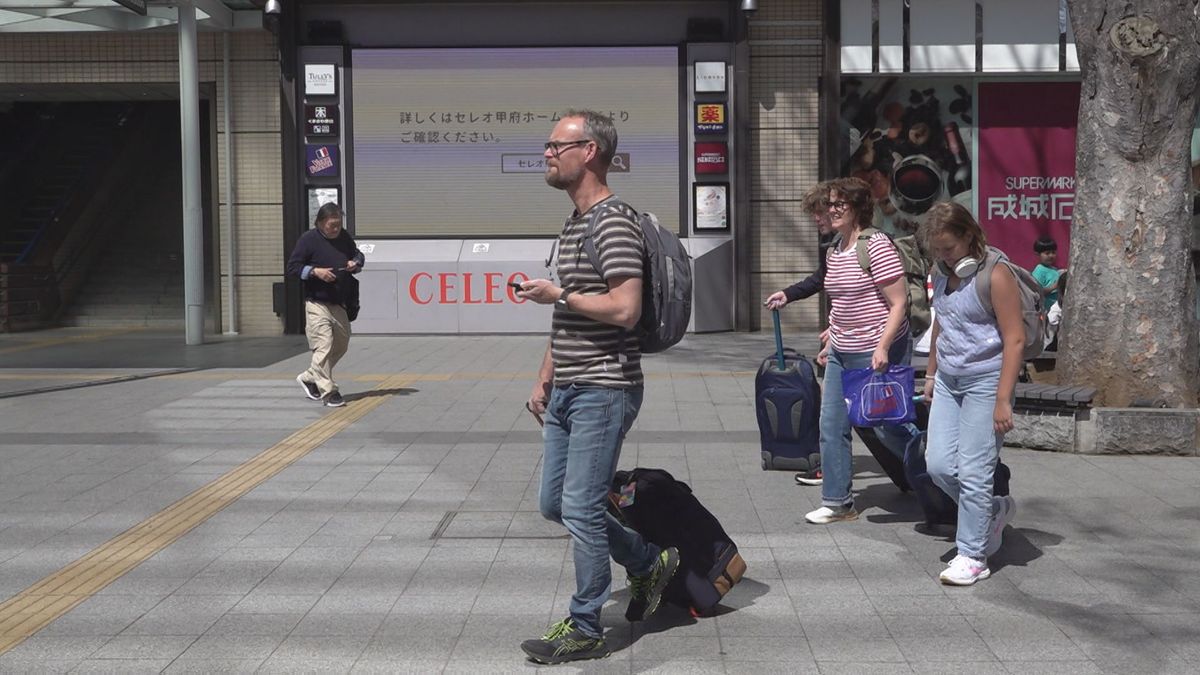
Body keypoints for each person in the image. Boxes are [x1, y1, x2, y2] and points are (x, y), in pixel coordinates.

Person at [515, 109, 679, 665]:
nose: (547, 154)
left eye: (556, 145)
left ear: (590, 151)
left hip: (604, 389)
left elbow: (625, 308)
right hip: (569, 388)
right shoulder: (575, 222)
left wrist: (558, 295)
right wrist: (545, 378)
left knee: (581, 508)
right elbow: (570, 317)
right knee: (553, 505)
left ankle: (585, 625)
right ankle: (646, 561)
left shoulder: (611, 221)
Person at [788, 177, 919, 525]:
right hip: (842, 351)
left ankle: (938, 468)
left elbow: (898, 302)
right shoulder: (835, 248)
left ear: (858, 206)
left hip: (874, 349)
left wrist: (883, 347)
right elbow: (845, 300)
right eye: (829, 204)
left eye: (837, 204)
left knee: (885, 426)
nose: (830, 210)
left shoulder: (874, 245)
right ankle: (837, 502)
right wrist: (833, 332)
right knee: (831, 425)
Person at [920, 202, 1022, 586]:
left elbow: (1014, 339)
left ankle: (973, 555)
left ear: (968, 236)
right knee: (940, 466)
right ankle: (992, 512)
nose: (943, 256)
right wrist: (931, 374)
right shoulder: (941, 273)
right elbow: (941, 327)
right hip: (949, 378)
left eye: (948, 248)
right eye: (937, 250)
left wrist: (1002, 398)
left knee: (977, 472)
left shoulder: (995, 275)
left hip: (986, 380)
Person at [285, 202, 363, 408]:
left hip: (339, 302)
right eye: (332, 225)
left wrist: (355, 263)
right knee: (324, 344)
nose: (336, 229)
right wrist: (315, 271)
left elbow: (357, 254)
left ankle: (310, 376)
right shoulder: (308, 240)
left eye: (338, 224)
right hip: (316, 302)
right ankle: (329, 392)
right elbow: (293, 268)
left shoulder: (344, 237)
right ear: (320, 223)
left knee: (341, 344)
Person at [1031, 235, 1062, 312]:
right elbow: (1037, 292)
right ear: (1038, 254)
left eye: (1053, 252)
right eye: (1047, 253)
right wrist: (1054, 286)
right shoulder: (1039, 271)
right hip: (1047, 311)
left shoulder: (1054, 269)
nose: (1051, 256)